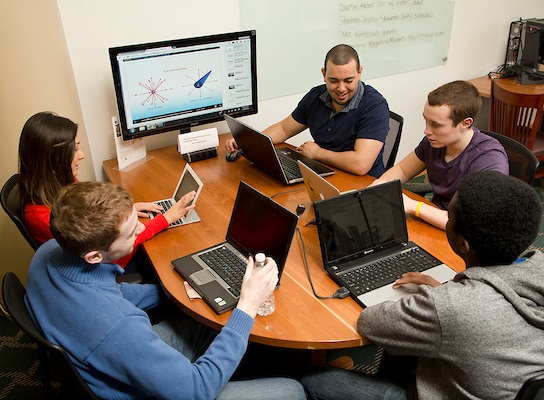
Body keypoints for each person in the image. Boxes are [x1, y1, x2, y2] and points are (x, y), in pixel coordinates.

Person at [24, 181, 306, 400]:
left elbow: (115, 295)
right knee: (293, 391)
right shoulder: (119, 326)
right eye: (133, 232)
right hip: (144, 391)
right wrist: (247, 305)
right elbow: (195, 391)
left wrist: (173, 290)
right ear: (95, 256)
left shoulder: (50, 250)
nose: (142, 231)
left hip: (100, 352)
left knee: (206, 318)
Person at [301, 171, 544, 399]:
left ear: (462, 245)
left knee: (314, 380)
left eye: (450, 216)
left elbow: (370, 323)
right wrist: (441, 295)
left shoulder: (450, 306)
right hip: (506, 384)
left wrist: (436, 300)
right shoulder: (539, 265)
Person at [18, 111, 194, 269]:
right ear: (53, 159)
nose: (82, 155)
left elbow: (98, 221)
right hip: (110, 266)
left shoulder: (63, 183)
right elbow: (113, 251)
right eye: (75, 149)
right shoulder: (43, 217)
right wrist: (166, 219)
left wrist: (126, 210)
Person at [226, 44, 390, 177]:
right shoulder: (316, 96)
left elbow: (360, 164)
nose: (341, 88)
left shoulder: (375, 106)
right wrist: (249, 142)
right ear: (324, 74)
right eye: (333, 80)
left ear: (360, 72)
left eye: (348, 80)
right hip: (325, 174)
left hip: (364, 186)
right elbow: (284, 129)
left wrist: (318, 154)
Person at [371, 80, 509, 230]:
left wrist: (414, 207)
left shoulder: (488, 159)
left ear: (465, 123)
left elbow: (469, 224)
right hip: (434, 218)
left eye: (435, 125)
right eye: (426, 121)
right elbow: (403, 170)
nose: (427, 131)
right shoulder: (434, 142)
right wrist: (376, 188)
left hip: (462, 233)